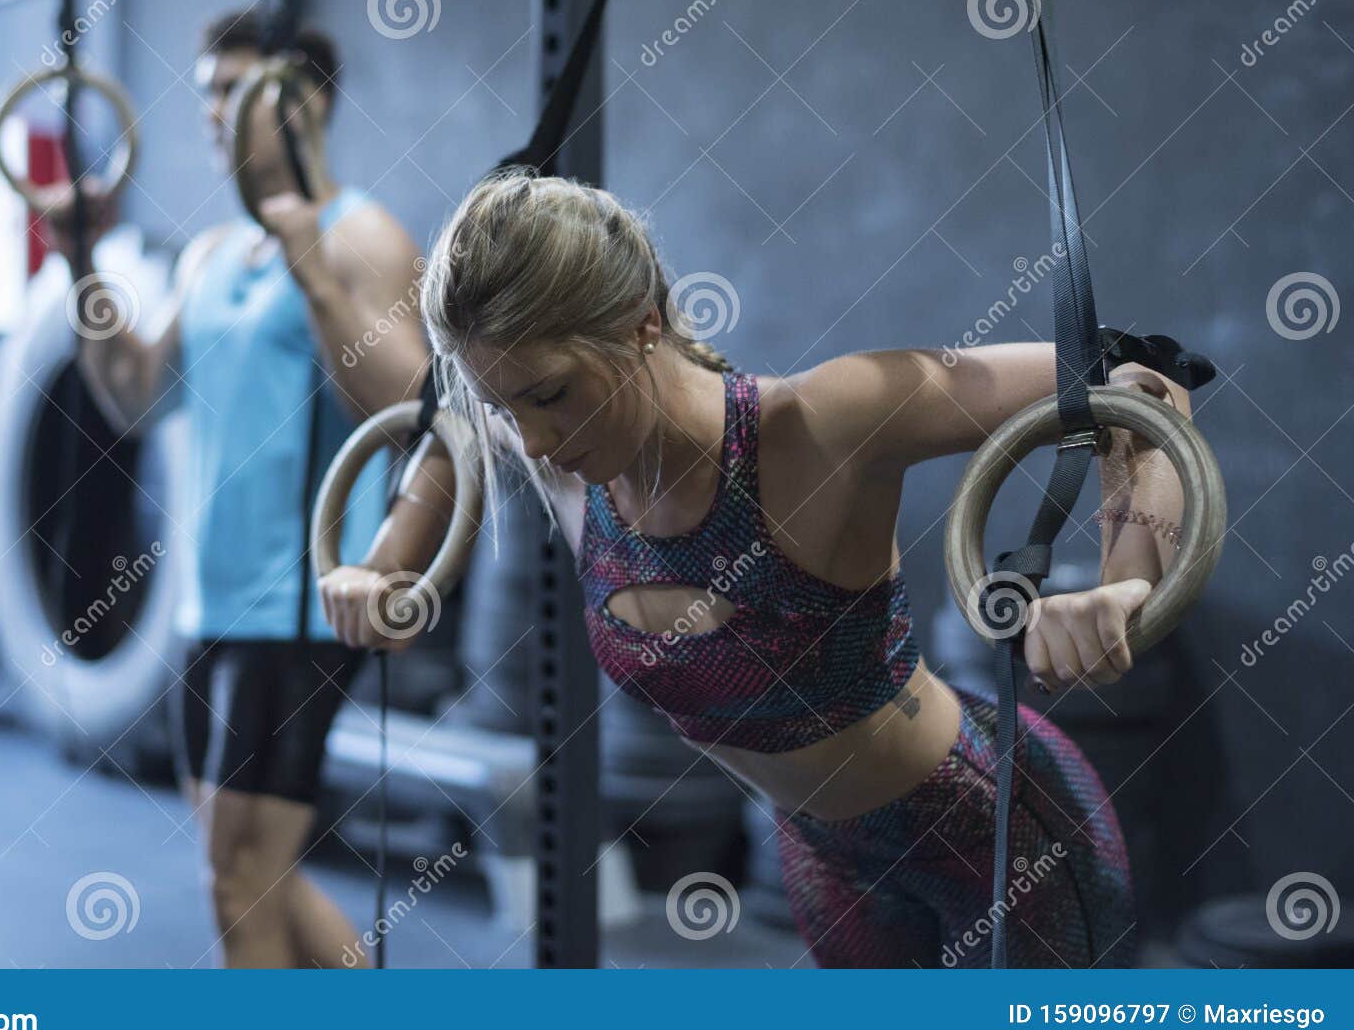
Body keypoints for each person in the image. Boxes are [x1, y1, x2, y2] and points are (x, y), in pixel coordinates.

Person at [319, 171, 1194, 967]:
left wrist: (1124, 578)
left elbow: (1136, 385)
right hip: (827, 865)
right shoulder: (563, 453)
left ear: (642, 325)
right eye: (504, 402)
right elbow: (450, 439)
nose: (535, 437)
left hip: (1004, 840)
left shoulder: (823, 423)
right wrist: (387, 563)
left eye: (548, 394)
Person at [56, 10, 434, 967]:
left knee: (235, 881)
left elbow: (415, 410)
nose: (212, 114)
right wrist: (81, 262)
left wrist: (314, 268)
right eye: (206, 95)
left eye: (233, 91)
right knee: (255, 874)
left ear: (300, 105)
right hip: (209, 602)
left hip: (300, 604)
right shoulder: (216, 254)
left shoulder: (364, 236)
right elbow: (135, 397)